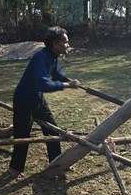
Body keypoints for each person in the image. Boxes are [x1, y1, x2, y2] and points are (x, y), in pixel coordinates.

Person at [8, 26, 81, 177]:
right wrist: (66, 85)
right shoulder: (41, 57)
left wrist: (68, 80)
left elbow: (56, 73)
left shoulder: (52, 56)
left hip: (37, 99)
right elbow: (43, 84)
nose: (68, 44)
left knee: (53, 130)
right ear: (55, 44)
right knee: (22, 136)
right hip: (24, 100)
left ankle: (57, 163)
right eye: (65, 42)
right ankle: (15, 169)